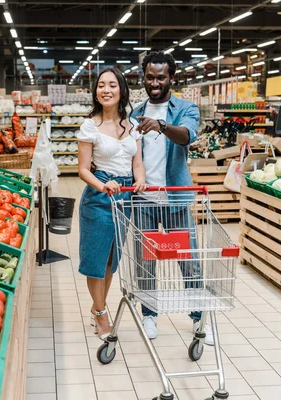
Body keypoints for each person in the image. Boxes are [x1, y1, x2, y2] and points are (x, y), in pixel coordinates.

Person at [130, 51, 212, 344]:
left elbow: (187, 136)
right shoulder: (134, 111)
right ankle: (149, 315)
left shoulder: (185, 108)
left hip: (176, 199)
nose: (154, 82)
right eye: (150, 76)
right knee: (146, 262)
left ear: (171, 78)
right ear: (144, 77)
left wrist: (161, 126)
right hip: (143, 200)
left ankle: (199, 318)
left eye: (160, 77)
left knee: (188, 261)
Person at [78, 67, 148, 340]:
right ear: (96, 92)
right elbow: (83, 169)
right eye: (101, 85)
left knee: (111, 259)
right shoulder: (90, 126)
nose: (106, 90)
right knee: (96, 259)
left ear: (121, 90)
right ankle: (99, 312)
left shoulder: (133, 127)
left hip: (125, 195)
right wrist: (102, 184)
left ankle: (99, 307)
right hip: (99, 196)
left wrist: (139, 179)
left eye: (112, 85)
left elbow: (138, 163)